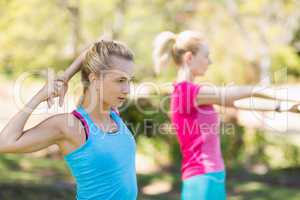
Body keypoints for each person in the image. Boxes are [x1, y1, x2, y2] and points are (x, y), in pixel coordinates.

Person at [152, 30, 300, 200]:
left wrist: (284, 107)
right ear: (189, 58)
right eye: (206, 56)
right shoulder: (187, 92)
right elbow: (241, 92)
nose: (210, 61)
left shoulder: (195, 94)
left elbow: (238, 103)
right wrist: (287, 95)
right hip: (202, 180)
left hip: (211, 176)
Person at [0, 40, 138, 200]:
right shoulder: (70, 126)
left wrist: (66, 76)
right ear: (95, 79)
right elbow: (5, 143)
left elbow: (91, 51)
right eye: (120, 80)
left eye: (129, 80)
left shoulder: (113, 114)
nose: (127, 89)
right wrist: (40, 96)